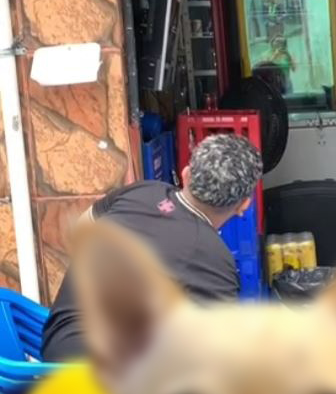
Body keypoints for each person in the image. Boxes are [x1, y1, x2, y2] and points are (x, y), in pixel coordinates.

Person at [41, 134, 263, 362]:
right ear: (244, 204)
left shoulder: (141, 191)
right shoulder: (214, 258)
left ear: (186, 175)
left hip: (58, 343)